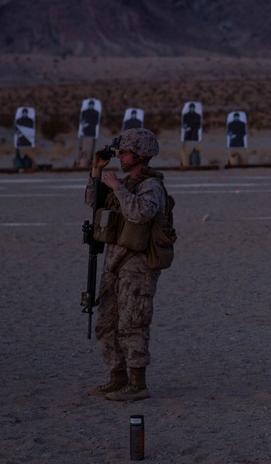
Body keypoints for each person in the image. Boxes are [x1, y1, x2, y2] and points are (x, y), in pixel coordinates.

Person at [85, 128, 169, 402]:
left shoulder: (150, 187)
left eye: (125, 152)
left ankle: (137, 383)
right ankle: (117, 377)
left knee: (133, 322)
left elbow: (139, 213)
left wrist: (117, 187)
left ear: (141, 155)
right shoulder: (125, 184)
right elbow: (94, 203)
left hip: (138, 266)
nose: (120, 156)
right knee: (106, 323)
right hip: (115, 265)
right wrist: (96, 173)